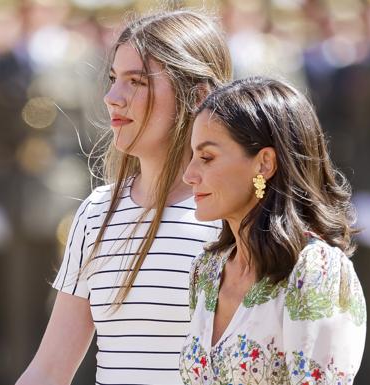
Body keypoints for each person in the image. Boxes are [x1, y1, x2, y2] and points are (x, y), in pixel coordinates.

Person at [16, 10, 232, 385]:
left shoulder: (234, 217)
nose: (112, 98)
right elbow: (48, 370)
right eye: (114, 78)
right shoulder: (96, 212)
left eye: (136, 82)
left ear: (197, 96)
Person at [179, 77, 366, 384]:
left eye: (207, 158)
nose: (189, 175)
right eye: (192, 157)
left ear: (264, 163)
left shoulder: (316, 270)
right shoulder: (206, 271)